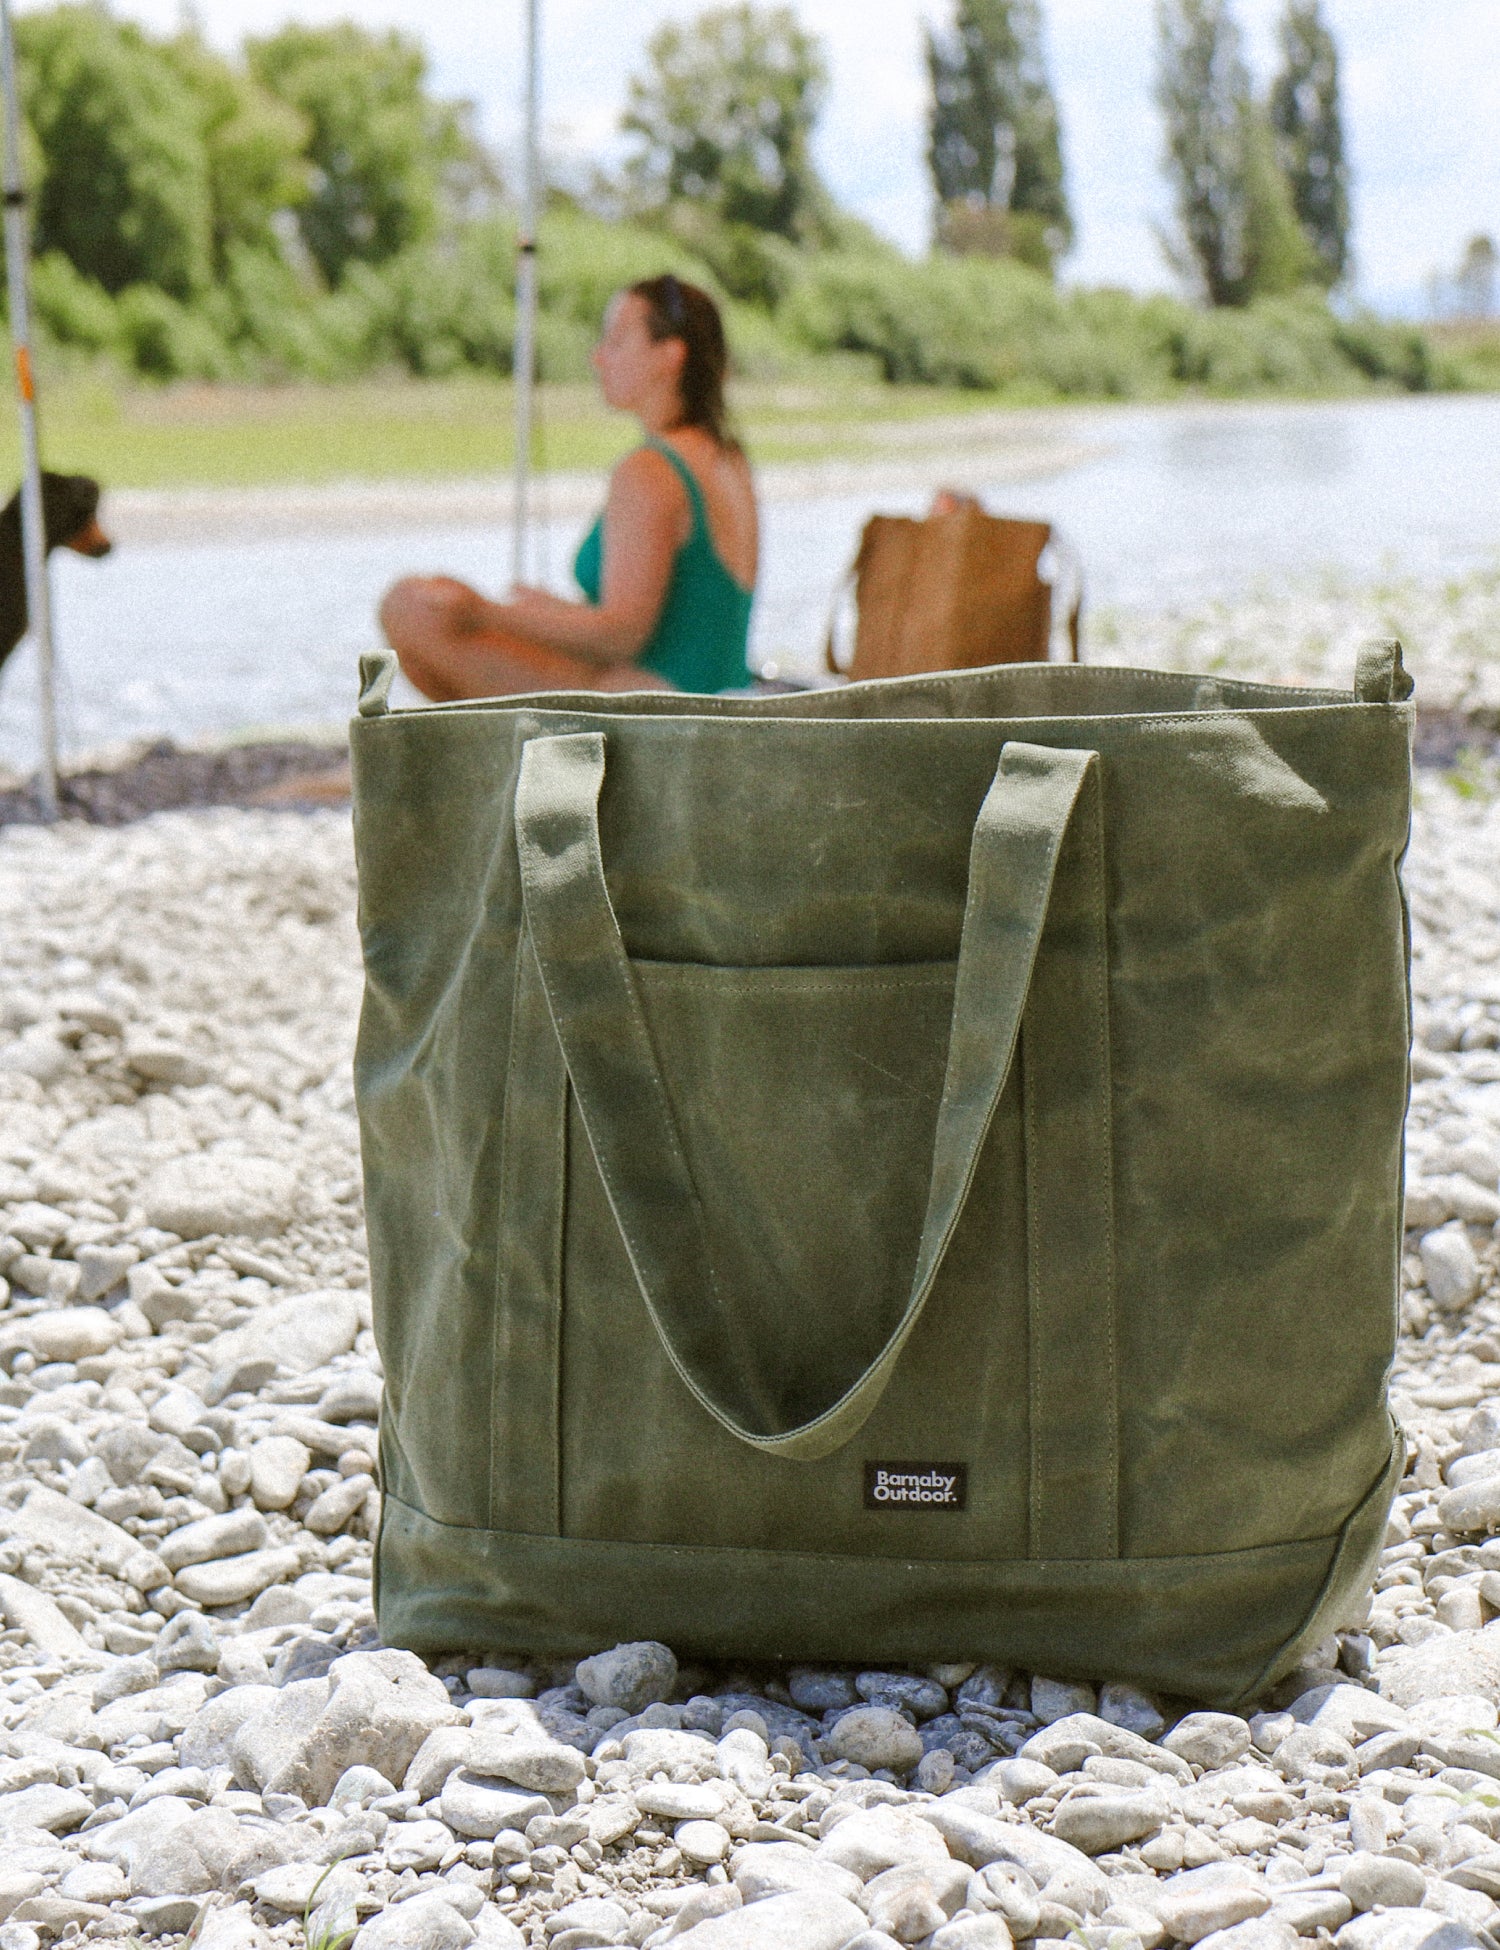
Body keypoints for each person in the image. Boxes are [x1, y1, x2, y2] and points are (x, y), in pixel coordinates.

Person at [379, 274, 757, 698]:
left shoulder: (650, 471)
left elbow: (622, 636)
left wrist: (485, 614)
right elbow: (685, 620)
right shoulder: (726, 456)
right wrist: (550, 611)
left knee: (410, 608)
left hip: (656, 711)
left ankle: (491, 757)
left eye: (616, 341)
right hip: (717, 697)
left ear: (668, 357)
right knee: (424, 603)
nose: (598, 357)